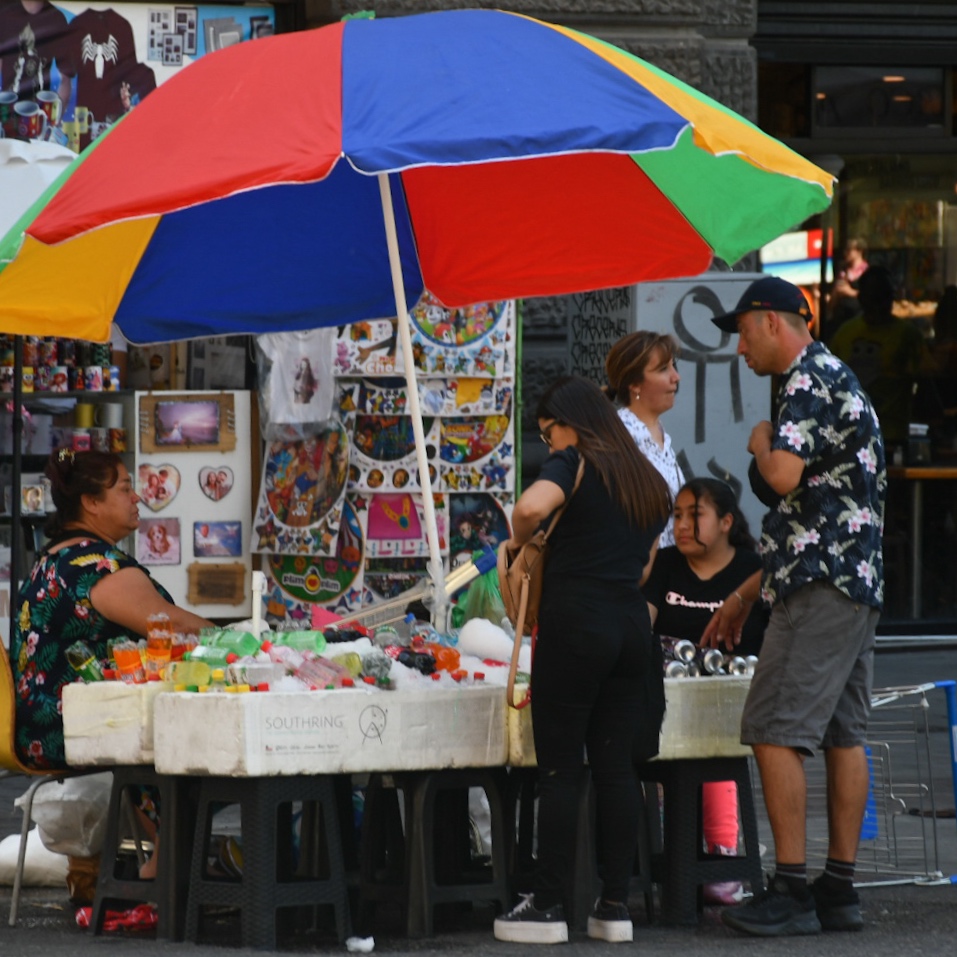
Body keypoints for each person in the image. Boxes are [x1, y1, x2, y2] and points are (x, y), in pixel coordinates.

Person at [701, 276, 885, 937]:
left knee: (773, 725)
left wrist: (757, 441)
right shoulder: (838, 378)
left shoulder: (806, 377)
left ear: (773, 321)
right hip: (852, 581)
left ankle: (788, 888)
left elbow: (780, 478)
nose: (739, 349)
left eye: (743, 332)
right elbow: (818, 509)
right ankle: (836, 887)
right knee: (842, 732)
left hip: (818, 586)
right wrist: (745, 593)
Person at [493, 376, 671, 945]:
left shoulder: (574, 463)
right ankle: (614, 906)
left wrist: (524, 538)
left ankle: (547, 906)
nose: (550, 445)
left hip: (575, 625)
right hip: (630, 627)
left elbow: (528, 507)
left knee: (560, 770)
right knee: (618, 769)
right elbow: (646, 565)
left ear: (572, 423)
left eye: (550, 433)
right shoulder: (646, 477)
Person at [10, 449, 214, 879]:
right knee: (170, 729)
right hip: (74, 724)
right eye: (124, 487)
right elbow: (171, 626)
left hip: (42, 723)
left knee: (149, 717)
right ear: (91, 502)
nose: (137, 496)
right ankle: (171, 863)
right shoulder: (96, 566)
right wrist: (249, 642)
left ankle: (175, 861)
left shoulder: (53, 560)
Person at [643, 478, 768, 905]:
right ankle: (669, 854)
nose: (681, 525)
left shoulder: (753, 570)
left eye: (694, 515)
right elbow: (644, 621)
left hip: (734, 703)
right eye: (676, 516)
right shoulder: (665, 564)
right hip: (669, 700)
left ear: (727, 522)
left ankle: (721, 854)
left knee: (717, 753)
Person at [829, 264, 926, 450]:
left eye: (884, 297)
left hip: (893, 434)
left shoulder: (908, 335)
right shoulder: (845, 334)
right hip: (852, 434)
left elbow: (926, 378)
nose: (879, 305)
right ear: (861, 299)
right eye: (873, 298)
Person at [605, 330, 684, 545]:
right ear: (635, 384)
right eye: (662, 369)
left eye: (673, 366)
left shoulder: (659, 433)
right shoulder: (621, 438)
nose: (675, 377)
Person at [827, 237, 869, 326]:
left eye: (849, 250)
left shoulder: (867, 271)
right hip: (841, 318)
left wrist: (850, 292)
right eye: (845, 250)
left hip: (859, 318)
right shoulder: (843, 270)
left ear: (859, 251)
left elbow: (870, 295)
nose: (845, 253)